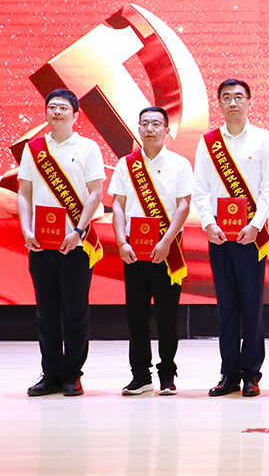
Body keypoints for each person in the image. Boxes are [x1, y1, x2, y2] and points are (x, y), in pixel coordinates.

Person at [192, 78, 269, 397]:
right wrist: (208, 223)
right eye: (226, 97)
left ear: (249, 101)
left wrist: (255, 224)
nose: (233, 102)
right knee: (226, 307)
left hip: (251, 237)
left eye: (238, 97)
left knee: (252, 306)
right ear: (219, 103)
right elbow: (200, 187)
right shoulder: (209, 142)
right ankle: (228, 373)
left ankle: (252, 373)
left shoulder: (264, 139)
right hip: (219, 236)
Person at [18, 88, 105, 397]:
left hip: (76, 244)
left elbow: (95, 193)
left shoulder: (87, 148)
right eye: (52, 107)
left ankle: (72, 374)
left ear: (75, 114)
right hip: (41, 244)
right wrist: (26, 229)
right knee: (46, 312)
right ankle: (50, 374)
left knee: (75, 311)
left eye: (63, 108)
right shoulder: (34, 149)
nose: (56, 112)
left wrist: (79, 231)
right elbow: (24, 192)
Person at [110, 106, 192, 395]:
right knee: (136, 316)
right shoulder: (126, 164)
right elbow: (118, 204)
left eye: (156, 124)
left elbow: (184, 205)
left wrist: (166, 241)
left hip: (167, 248)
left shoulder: (180, 164)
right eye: (145, 123)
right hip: (133, 248)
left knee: (167, 316)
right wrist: (121, 241)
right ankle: (140, 375)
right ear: (139, 128)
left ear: (167, 130)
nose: (150, 129)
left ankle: (167, 374)